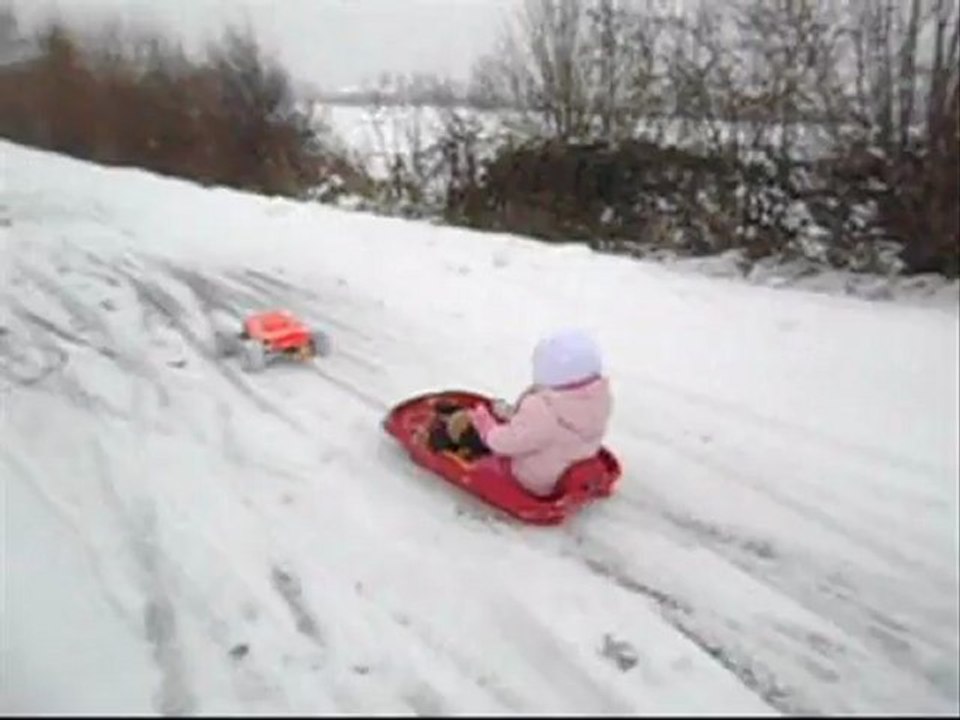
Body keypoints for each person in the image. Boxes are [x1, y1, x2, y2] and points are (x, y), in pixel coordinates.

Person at [441, 328, 613, 498]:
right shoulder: (599, 397)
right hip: (571, 459)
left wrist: (485, 425)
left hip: (533, 479)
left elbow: (505, 443)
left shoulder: (543, 407)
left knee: (480, 465)